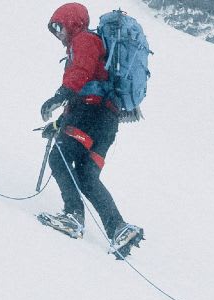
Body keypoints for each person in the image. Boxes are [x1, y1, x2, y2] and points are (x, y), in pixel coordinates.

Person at [36, 3, 143, 257]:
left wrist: (59, 95)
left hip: (90, 115)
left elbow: (81, 74)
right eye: (54, 29)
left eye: (60, 26)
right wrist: (58, 124)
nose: (58, 33)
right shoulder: (92, 45)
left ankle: (73, 216)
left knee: (59, 157)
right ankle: (118, 228)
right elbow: (85, 90)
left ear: (72, 22)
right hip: (105, 122)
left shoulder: (84, 40)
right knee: (86, 175)